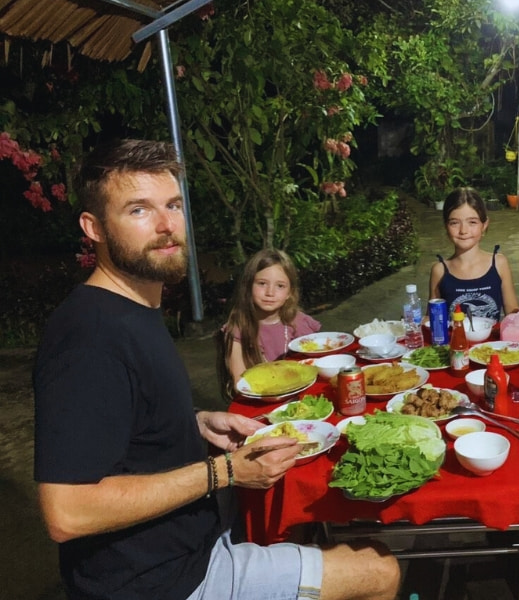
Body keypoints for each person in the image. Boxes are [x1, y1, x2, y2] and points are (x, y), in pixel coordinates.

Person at [32, 139, 400, 600]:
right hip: (162, 581)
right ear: (95, 227)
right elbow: (67, 512)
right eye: (139, 210)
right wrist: (223, 472)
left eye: (172, 205)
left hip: (192, 544)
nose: (167, 225)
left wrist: (195, 425)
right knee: (379, 571)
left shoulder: (133, 309)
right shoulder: (88, 336)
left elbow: (118, 426)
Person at [220, 248, 321, 395]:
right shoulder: (238, 329)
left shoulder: (300, 323)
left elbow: (317, 364)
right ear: (248, 286)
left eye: (280, 286)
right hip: (261, 399)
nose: (270, 293)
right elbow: (239, 383)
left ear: (290, 293)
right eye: (262, 283)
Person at [429, 187, 519, 321]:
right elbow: (433, 320)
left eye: (472, 222)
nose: (463, 230)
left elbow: (513, 314)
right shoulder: (440, 270)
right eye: (454, 223)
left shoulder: (499, 263)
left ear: (484, 225)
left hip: (491, 342)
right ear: (446, 226)